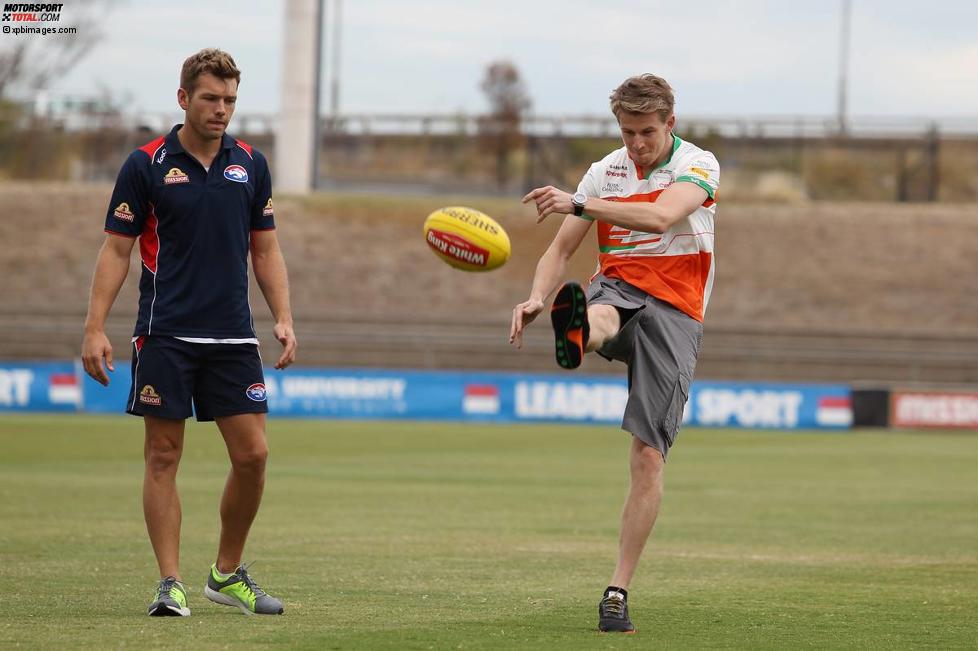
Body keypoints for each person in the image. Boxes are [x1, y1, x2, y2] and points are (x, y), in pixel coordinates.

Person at [81, 48, 297, 617]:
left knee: (253, 455)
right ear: (183, 98)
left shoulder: (250, 163)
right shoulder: (146, 164)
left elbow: (266, 248)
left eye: (230, 100)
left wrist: (283, 316)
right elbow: (117, 250)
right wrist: (95, 327)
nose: (222, 109)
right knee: (162, 455)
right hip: (165, 333)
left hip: (233, 336)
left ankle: (224, 576)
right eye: (211, 98)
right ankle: (169, 583)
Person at [510, 73, 719, 634]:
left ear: (670, 124)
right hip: (620, 288)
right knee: (602, 309)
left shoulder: (699, 165)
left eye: (647, 132)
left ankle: (616, 591)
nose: (636, 144)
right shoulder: (605, 172)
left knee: (648, 457)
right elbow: (561, 248)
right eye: (627, 132)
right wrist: (536, 296)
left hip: (678, 310)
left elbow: (659, 217)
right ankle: (580, 331)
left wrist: (579, 202)